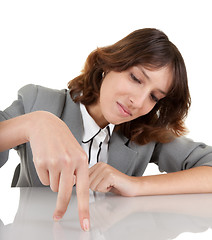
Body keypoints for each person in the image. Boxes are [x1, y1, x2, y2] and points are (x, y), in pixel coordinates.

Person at [1, 28, 212, 232]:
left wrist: (136, 185)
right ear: (110, 64)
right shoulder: (38, 101)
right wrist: (31, 124)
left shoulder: (145, 133)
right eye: (136, 78)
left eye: (154, 97)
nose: (137, 102)